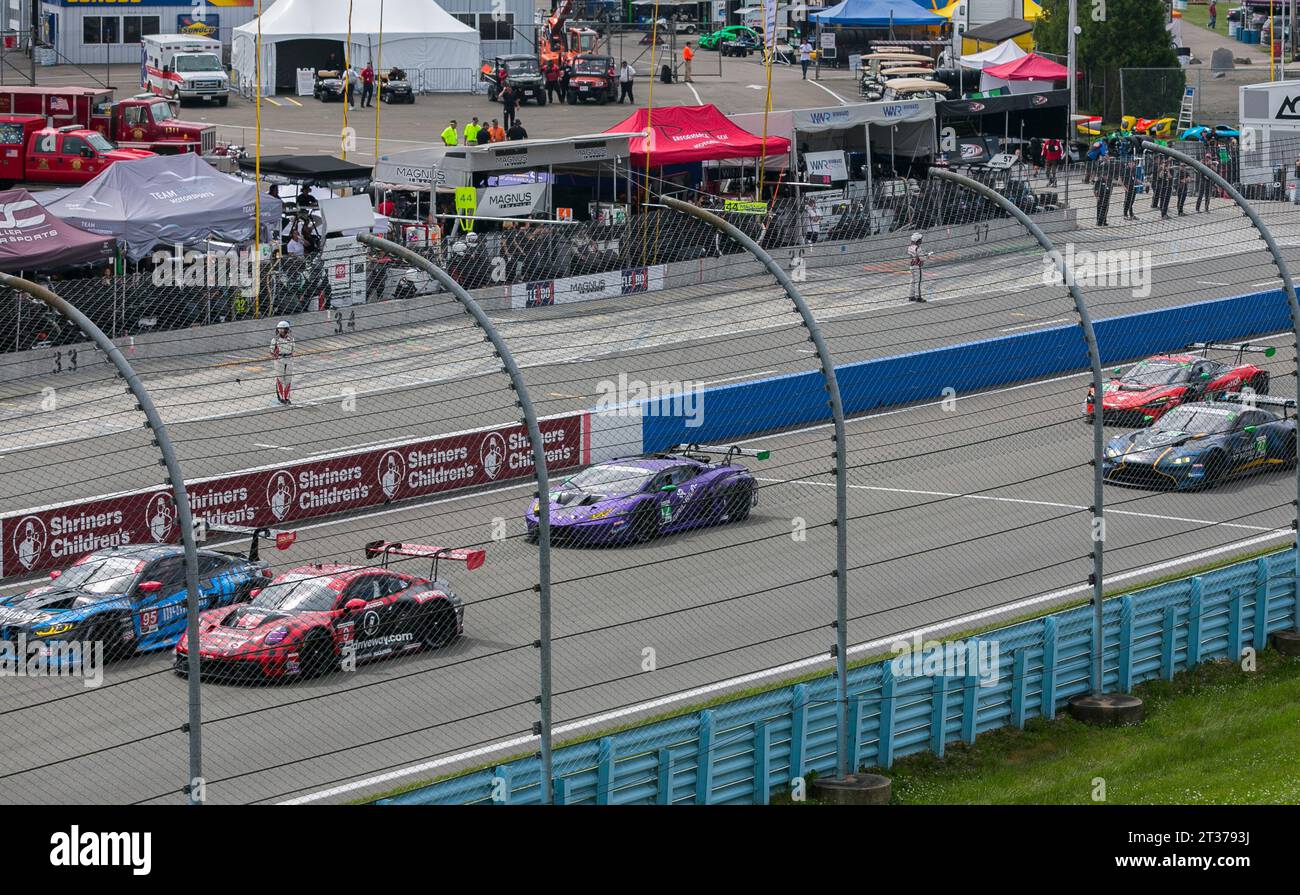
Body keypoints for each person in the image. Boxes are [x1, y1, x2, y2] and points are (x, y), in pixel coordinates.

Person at [271, 320, 295, 405]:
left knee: (288, 379)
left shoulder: (291, 339)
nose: (282, 331)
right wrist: (276, 355)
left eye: (284, 329)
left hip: (289, 359)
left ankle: (286, 397)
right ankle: (281, 397)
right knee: (280, 379)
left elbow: (293, 350)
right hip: (280, 359)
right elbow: (272, 351)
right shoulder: (275, 339)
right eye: (280, 329)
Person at [907, 232, 929, 302]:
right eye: (920, 240)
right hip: (917, 266)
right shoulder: (918, 248)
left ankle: (911, 296)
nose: (921, 241)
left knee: (912, 281)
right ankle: (918, 297)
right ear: (917, 240)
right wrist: (927, 256)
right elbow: (922, 258)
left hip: (911, 266)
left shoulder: (910, 247)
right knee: (918, 282)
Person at [1094, 155, 1113, 226]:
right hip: (1101, 196)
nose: (1107, 176)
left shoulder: (1108, 181)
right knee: (1100, 209)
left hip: (1107, 196)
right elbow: (1095, 190)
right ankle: (1099, 222)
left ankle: (1104, 221)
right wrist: (1097, 197)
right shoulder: (1099, 181)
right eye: (1105, 175)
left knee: (1106, 209)